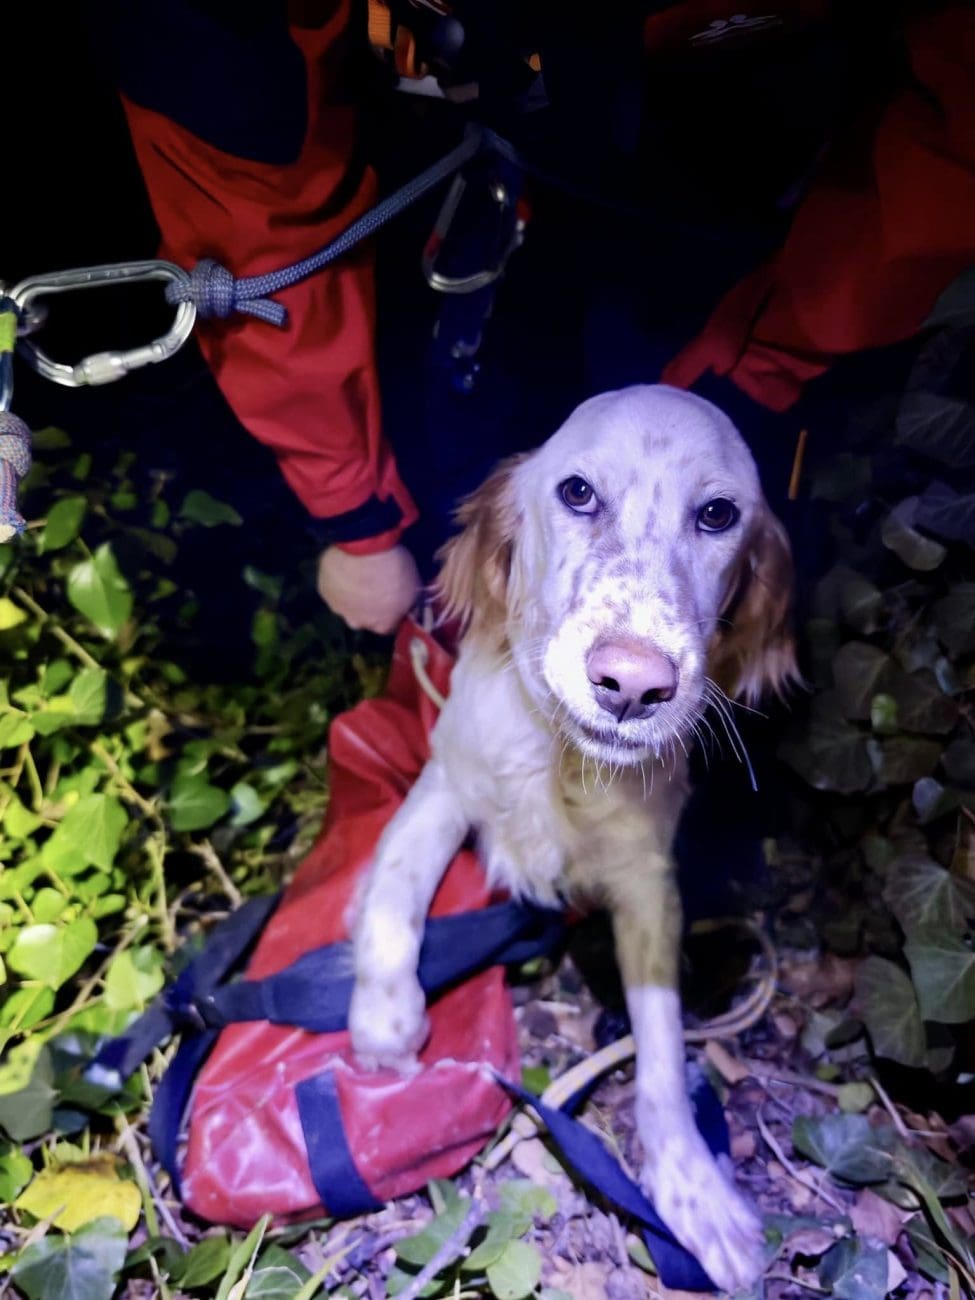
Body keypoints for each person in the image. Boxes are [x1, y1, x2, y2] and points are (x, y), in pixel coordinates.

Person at [81, 0, 975, 633]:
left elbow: (947, 163)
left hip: (753, 150)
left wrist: (752, 374)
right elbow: (246, 222)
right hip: (440, 151)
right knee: (451, 465)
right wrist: (355, 514)